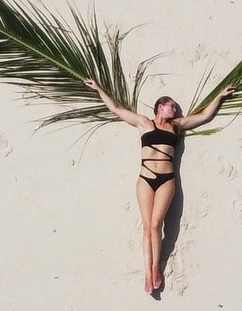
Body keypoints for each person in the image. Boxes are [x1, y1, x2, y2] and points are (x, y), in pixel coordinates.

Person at [87, 80, 228, 297]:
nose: (175, 109)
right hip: (145, 177)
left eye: (175, 107)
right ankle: (147, 272)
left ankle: (155, 268)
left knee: (156, 223)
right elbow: (116, 108)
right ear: (160, 107)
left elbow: (204, 117)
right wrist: (98, 89)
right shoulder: (143, 123)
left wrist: (219, 96)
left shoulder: (176, 126)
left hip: (166, 179)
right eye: (172, 106)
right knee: (147, 226)